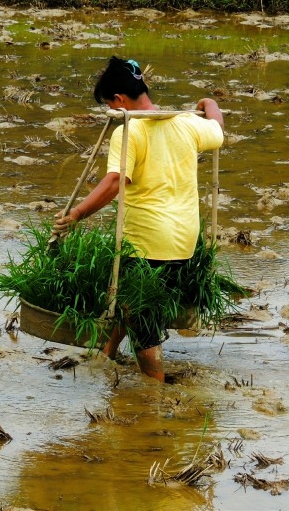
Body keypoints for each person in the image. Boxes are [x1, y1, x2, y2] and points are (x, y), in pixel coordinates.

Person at [53, 56, 224, 382]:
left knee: (142, 318)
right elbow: (217, 128)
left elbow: (116, 182)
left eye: (109, 105)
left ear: (119, 99)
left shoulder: (129, 131)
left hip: (147, 239)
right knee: (133, 300)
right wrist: (210, 102)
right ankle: (106, 353)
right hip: (184, 239)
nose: (112, 112)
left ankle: (154, 395)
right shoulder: (187, 123)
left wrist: (76, 214)